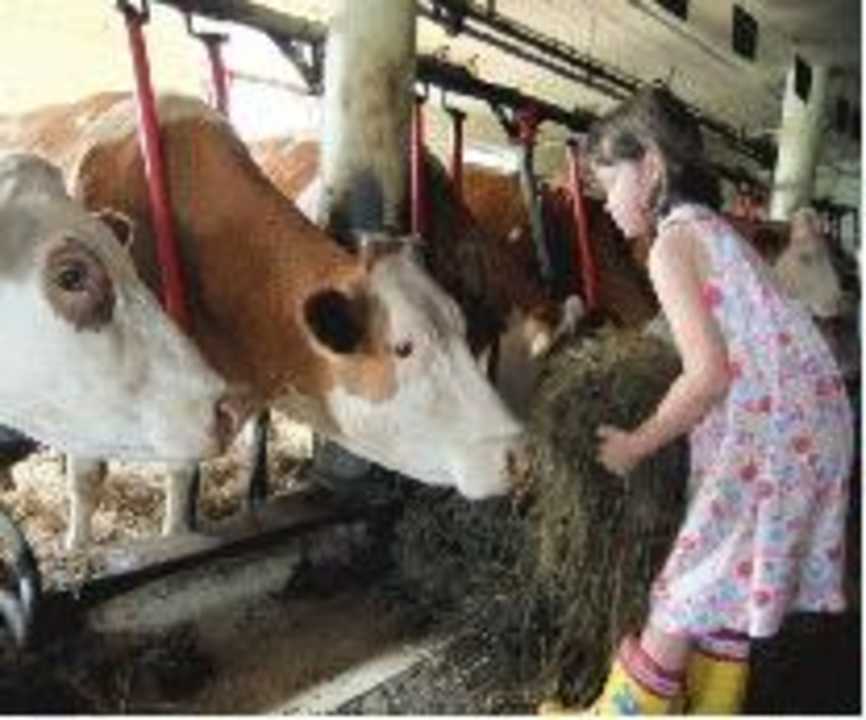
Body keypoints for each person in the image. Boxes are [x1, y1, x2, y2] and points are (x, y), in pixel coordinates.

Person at [541, 86, 854, 715]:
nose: (607, 202)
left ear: (652, 166)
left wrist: (637, 444)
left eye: (611, 181)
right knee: (724, 583)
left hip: (772, 437)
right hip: (810, 421)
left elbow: (708, 374)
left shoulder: (672, 245)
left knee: (683, 589)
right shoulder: (718, 232)